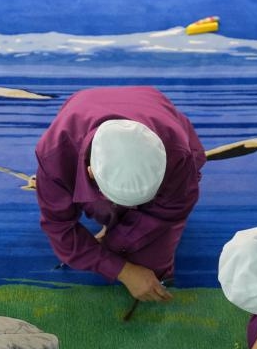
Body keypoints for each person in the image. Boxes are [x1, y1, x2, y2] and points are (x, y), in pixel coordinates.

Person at [35, 87, 205, 302]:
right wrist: (123, 270)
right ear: (90, 172)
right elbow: (58, 227)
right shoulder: (55, 155)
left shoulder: (177, 151)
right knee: (126, 252)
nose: (131, 211)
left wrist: (115, 244)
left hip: (153, 104)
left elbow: (173, 208)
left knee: (153, 268)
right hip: (82, 104)